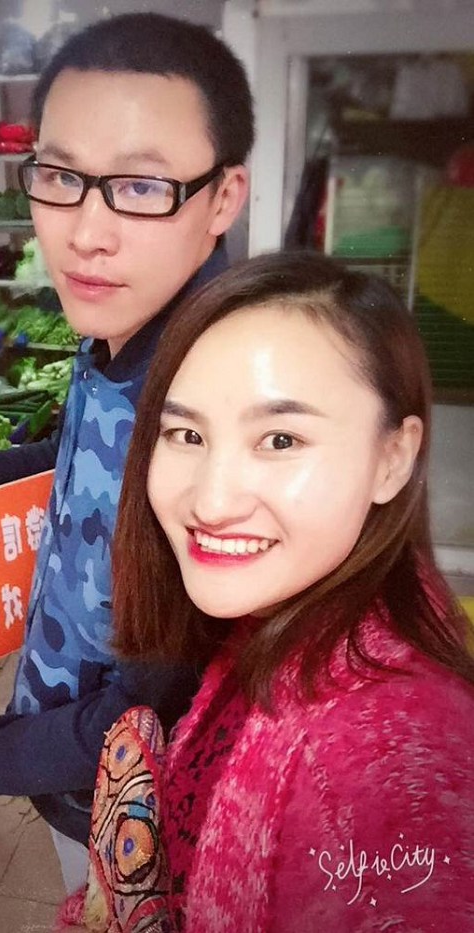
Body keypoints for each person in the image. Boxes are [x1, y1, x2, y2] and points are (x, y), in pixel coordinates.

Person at [0, 13, 253, 890]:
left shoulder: (206, 418)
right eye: (61, 176)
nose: (84, 233)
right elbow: (79, 457)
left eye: (141, 185)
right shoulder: (124, 329)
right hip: (70, 774)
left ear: (223, 198)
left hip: (128, 807)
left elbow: (134, 715)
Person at [68, 251, 474, 931]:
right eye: (187, 433)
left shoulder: (384, 766)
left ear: (393, 458)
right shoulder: (300, 611)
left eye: (280, 439)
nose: (212, 501)